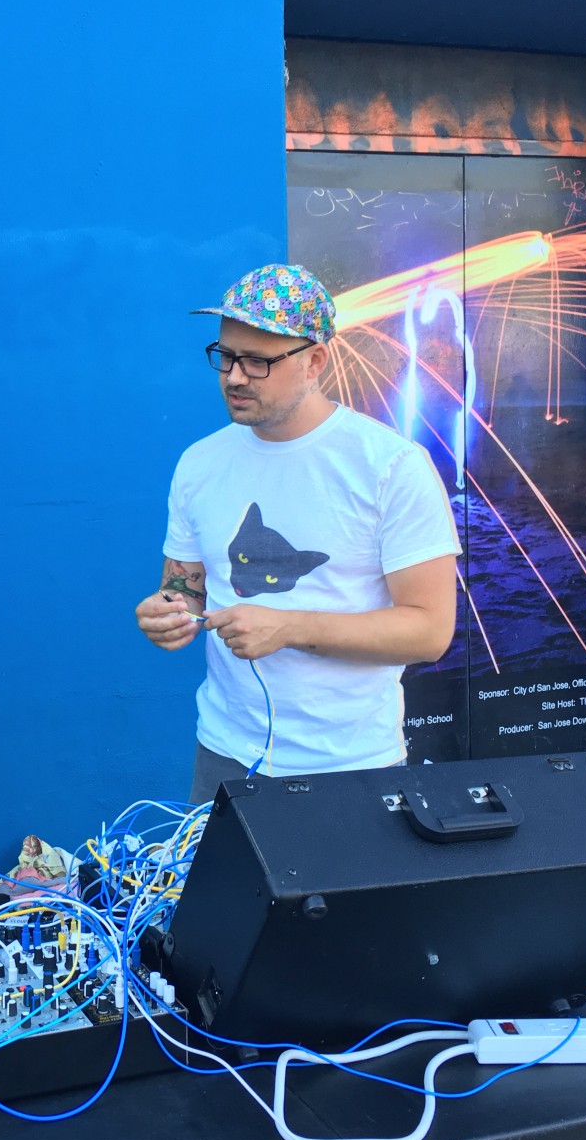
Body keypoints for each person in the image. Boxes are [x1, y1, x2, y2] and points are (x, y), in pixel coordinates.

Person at [135, 263, 459, 803]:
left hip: (354, 764)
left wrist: (286, 627)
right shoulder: (199, 464)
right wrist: (167, 612)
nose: (234, 376)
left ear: (315, 362)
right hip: (223, 755)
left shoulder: (390, 466)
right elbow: (186, 587)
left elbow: (429, 632)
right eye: (226, 355)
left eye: (258, 361)